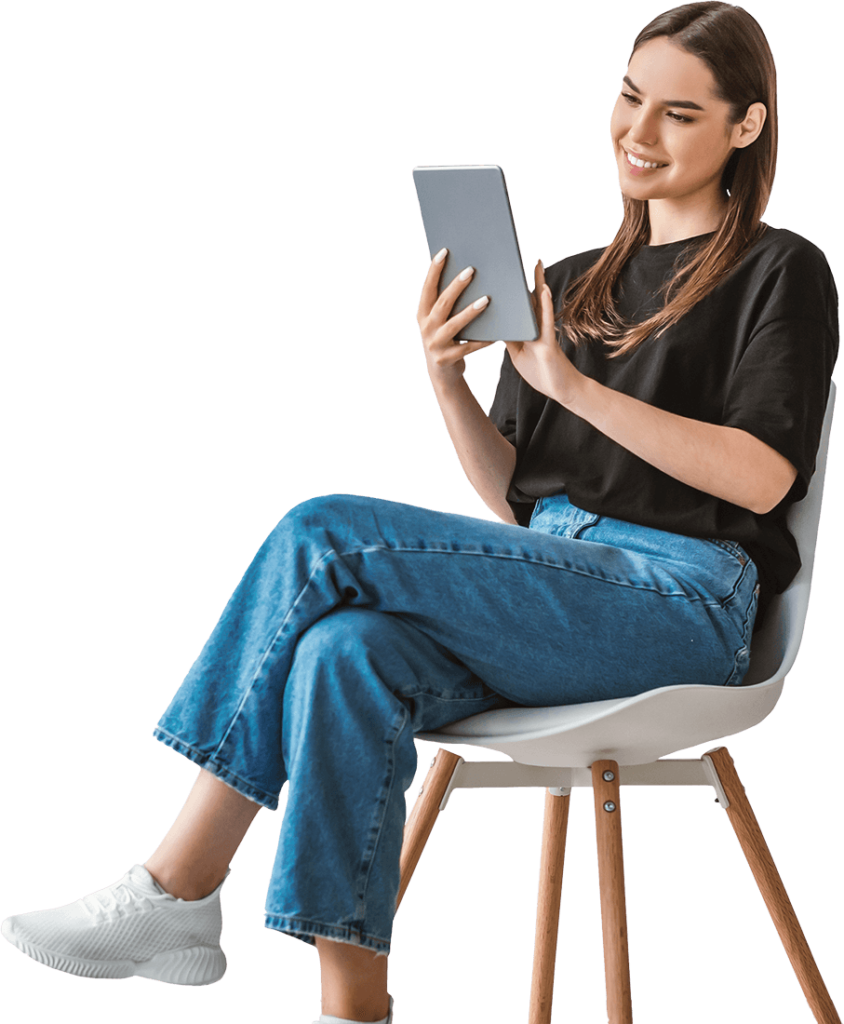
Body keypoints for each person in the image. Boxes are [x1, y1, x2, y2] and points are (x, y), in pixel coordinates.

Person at [1, 3, 837, 1023]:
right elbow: (512, 500)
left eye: (678, 113)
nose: (638, 132)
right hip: (563, 580)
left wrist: (572, 388)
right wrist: (447, 376)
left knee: (322, 530)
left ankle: (179, 882)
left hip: (683, 600)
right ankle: (353, 1004)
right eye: (628, 99)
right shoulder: (566, 283)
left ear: (744, 127)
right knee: (343, 649)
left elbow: (759, 480)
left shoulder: (778, 269)